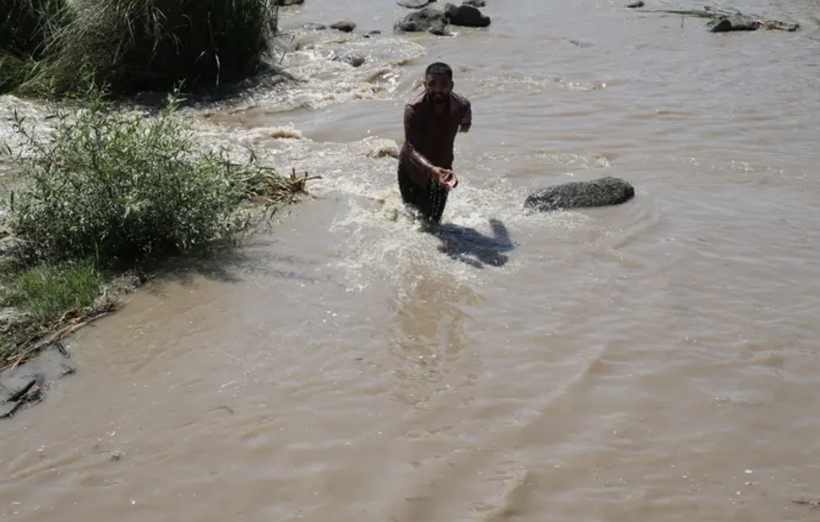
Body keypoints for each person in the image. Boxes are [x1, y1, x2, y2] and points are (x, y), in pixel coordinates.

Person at [398, 62, 472, 225]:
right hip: (411, 169)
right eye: (432, 84)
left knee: (433, 224)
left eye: (444, 85)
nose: (438, 90)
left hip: (443, 169)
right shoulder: (414, 108)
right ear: (424, 85)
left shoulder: (462, 106)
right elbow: (411, 148)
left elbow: (465, 125)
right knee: (411, 218)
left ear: (451, 86)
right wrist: (432, 170)